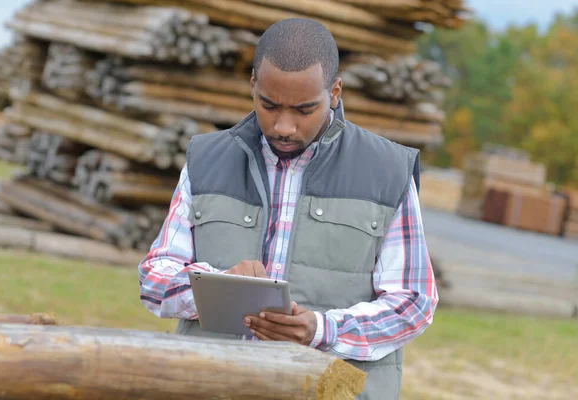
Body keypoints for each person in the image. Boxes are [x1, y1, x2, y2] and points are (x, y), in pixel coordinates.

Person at [138, 18, 438, 400]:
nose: (284, 126)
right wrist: (216, 284)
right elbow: (153, 278)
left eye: (303, 110)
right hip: (214, 387)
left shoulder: (388, 171)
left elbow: (414, 302)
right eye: (269, 105)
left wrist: (322, 331)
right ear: (252, 84)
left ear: (335, 92)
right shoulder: (205, 159)